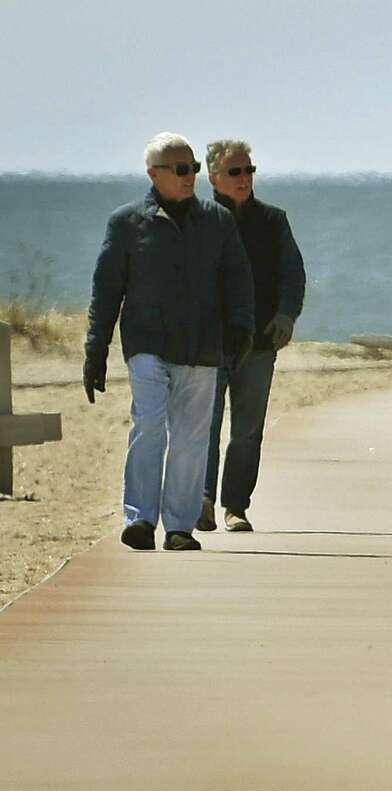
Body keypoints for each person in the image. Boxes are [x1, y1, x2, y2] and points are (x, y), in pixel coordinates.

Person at [84, 132, 255, 552]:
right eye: (180, 169)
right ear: (153, 174)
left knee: (192, 437)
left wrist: (241, 330)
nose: (189, 176)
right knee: (149, 426)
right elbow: (106, 289)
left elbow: (238, 280)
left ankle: (179, 526)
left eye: (194, 168)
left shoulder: (218, 221)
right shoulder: (126, 223)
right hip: (147, 344)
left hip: (202, 348)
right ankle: (140, 518)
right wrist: (96, 350)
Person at [197, 139, 306, 534]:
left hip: (258, 343)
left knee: (247, 429)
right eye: (234, 172)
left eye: (248, 171)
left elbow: (293, 274)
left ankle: (235, 506)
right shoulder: (198, 220)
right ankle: (202, 500)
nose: (244, 178)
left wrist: (286, 316)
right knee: (204, 426)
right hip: (208, 343)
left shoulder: (273, 221)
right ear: (213, 178)